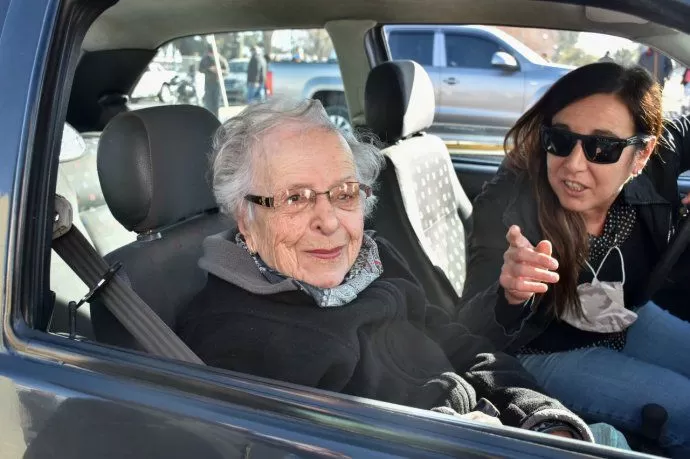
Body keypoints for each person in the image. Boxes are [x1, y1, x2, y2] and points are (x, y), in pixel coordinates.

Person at [174, 97, 613, 445]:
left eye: (344, 193)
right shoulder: (233, 339)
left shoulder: (371, 260)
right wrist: (480, 435)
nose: (329, 222)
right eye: (295, 198)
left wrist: (542, 418)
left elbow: (460, 344)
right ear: (245, 220)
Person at [459, 62, 690, 457]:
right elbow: (469, 331)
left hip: (628, 315)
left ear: (642, 153)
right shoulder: (506, 204)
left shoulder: (658, 160)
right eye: (560, 140)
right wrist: (509, 296)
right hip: (544, 349)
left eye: (603, 148)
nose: (574, 165)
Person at [199, 45, 228, 117]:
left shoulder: (221, 60)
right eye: (210, 53)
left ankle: (216, 117)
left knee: (217, 103)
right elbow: (200, 69)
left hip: (218, 84)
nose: (211, 55)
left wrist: (219, 70)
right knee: (209, 103)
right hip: (208, 84)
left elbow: (227, 72)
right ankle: (209, 118)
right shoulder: (205, 59)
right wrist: (209, 69)